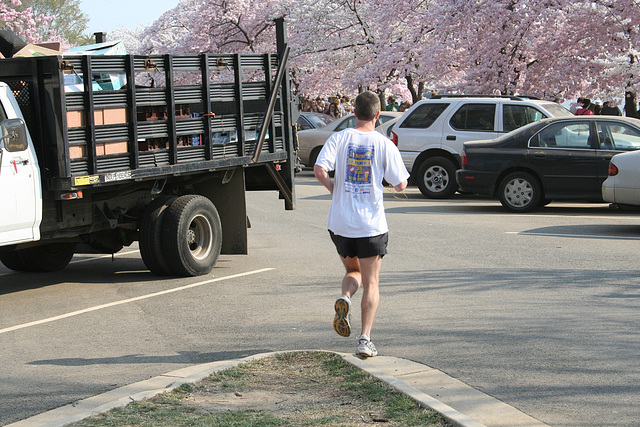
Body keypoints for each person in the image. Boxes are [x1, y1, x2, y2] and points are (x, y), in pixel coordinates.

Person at [313, 91, 409, 358]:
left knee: (352, 271)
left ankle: (345, 297)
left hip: (341, 223)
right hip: (371, 226)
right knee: (372, 282)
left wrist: (335, 188)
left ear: (354, 112)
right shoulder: (384, 143)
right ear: (377, 115)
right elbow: (401, 184)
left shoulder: (339, 138)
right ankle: (365, 340)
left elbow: (320, 170)